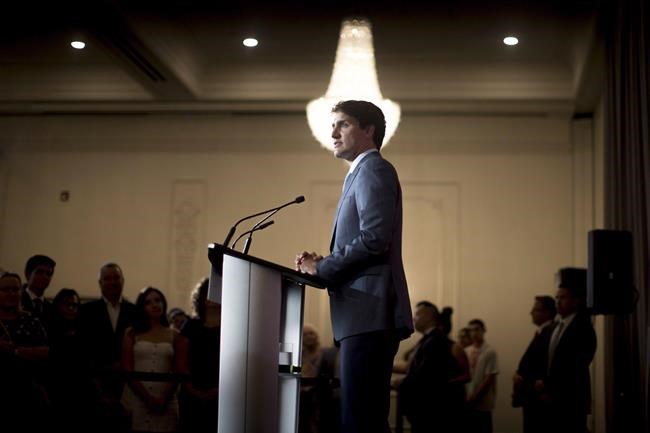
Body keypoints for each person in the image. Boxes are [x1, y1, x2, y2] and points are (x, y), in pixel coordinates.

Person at [296, 100, 413, 433]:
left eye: (343, 124)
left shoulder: (373, 169)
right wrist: (322, 262)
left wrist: (324, 268)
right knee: (362, 419)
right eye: (332, 125)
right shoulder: (359, 174)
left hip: (369, 313)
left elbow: (375, 238)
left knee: (361, 421)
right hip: (361, 315)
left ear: (368, 130)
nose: (333, 133)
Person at [536, 268, 596, 433]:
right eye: (556, 298)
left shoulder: (583, 328)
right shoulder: (556, 326)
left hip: (571, 398)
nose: (557, 301)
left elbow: (575, 366)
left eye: (563, 297)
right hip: (551, 398)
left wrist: (551, 388)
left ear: (575, 301)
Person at [121, 287, 188, 433]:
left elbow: (178, 370)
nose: (154, 305)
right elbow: (127, 369)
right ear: (142, 307)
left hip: (166, 398)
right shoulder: (131, 333)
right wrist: (147, 398)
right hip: (137, 396)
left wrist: (163, 398)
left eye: (158, 300)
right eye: (148, 302)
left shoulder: (175, 335)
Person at [79, 262, 136, 433]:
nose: (112, 282)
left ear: (123, 280)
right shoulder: (86, 311)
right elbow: (83, 348)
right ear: (100, 283)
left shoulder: (135, 311)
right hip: (95, 383)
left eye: (116, 278)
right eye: (107, 278)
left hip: (128, 384)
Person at [179, 278, 221, 433]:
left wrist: (218, 390)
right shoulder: (190, 326)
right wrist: (193, 390)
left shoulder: (232, 327)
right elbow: (181, 362)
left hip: (222, 392)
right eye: (210, 291)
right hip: (191, 392)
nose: (213, 296)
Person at [512, 296, 556, 433]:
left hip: (538, 396)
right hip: (531, 394)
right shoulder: (542, 332)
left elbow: (544, 363)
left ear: (547, 313)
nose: (531, 312)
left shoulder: (550, 333)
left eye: (536, 309)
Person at [465, 319, 499, 433]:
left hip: (483, 403)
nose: (473, 333)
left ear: (483, 330)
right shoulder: (466, 351)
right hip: (467, 399)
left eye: (476, 330)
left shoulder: (490, 351)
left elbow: (489, 378)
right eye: (471, 330)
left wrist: (475, 397)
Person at [21, 254, 56, 325]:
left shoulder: (53, 309)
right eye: (39, 272)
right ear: (28, 274)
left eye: (49, 274)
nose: (45, 277)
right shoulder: (16, 301)